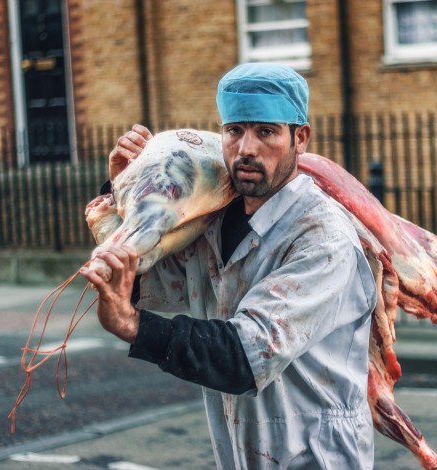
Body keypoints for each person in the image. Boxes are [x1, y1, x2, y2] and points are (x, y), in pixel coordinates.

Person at [80, 63, 377, 469]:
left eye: (266, 132)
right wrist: (126, 188)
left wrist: (133, 326)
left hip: (316, 455)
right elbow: (157, 285)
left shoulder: (323, 239)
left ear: (300, 138)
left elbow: (245, 355)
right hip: (240, 451)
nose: (246, 149)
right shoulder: (217, 222)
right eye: (235, 131)